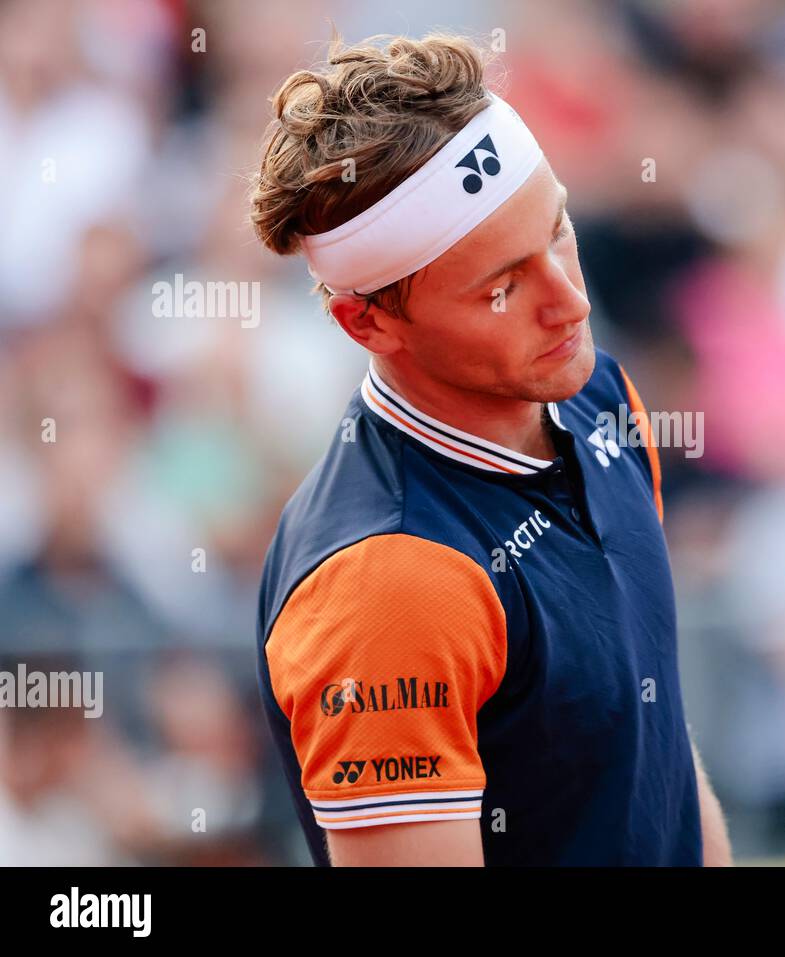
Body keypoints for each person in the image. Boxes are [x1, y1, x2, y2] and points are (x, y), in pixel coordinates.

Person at [247, 32, 729, 866]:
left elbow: (656, 745)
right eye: (502, 286)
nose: (570, 301)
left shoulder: (599, 393)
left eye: (560, 230)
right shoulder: (387, 584)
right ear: (369, 322)